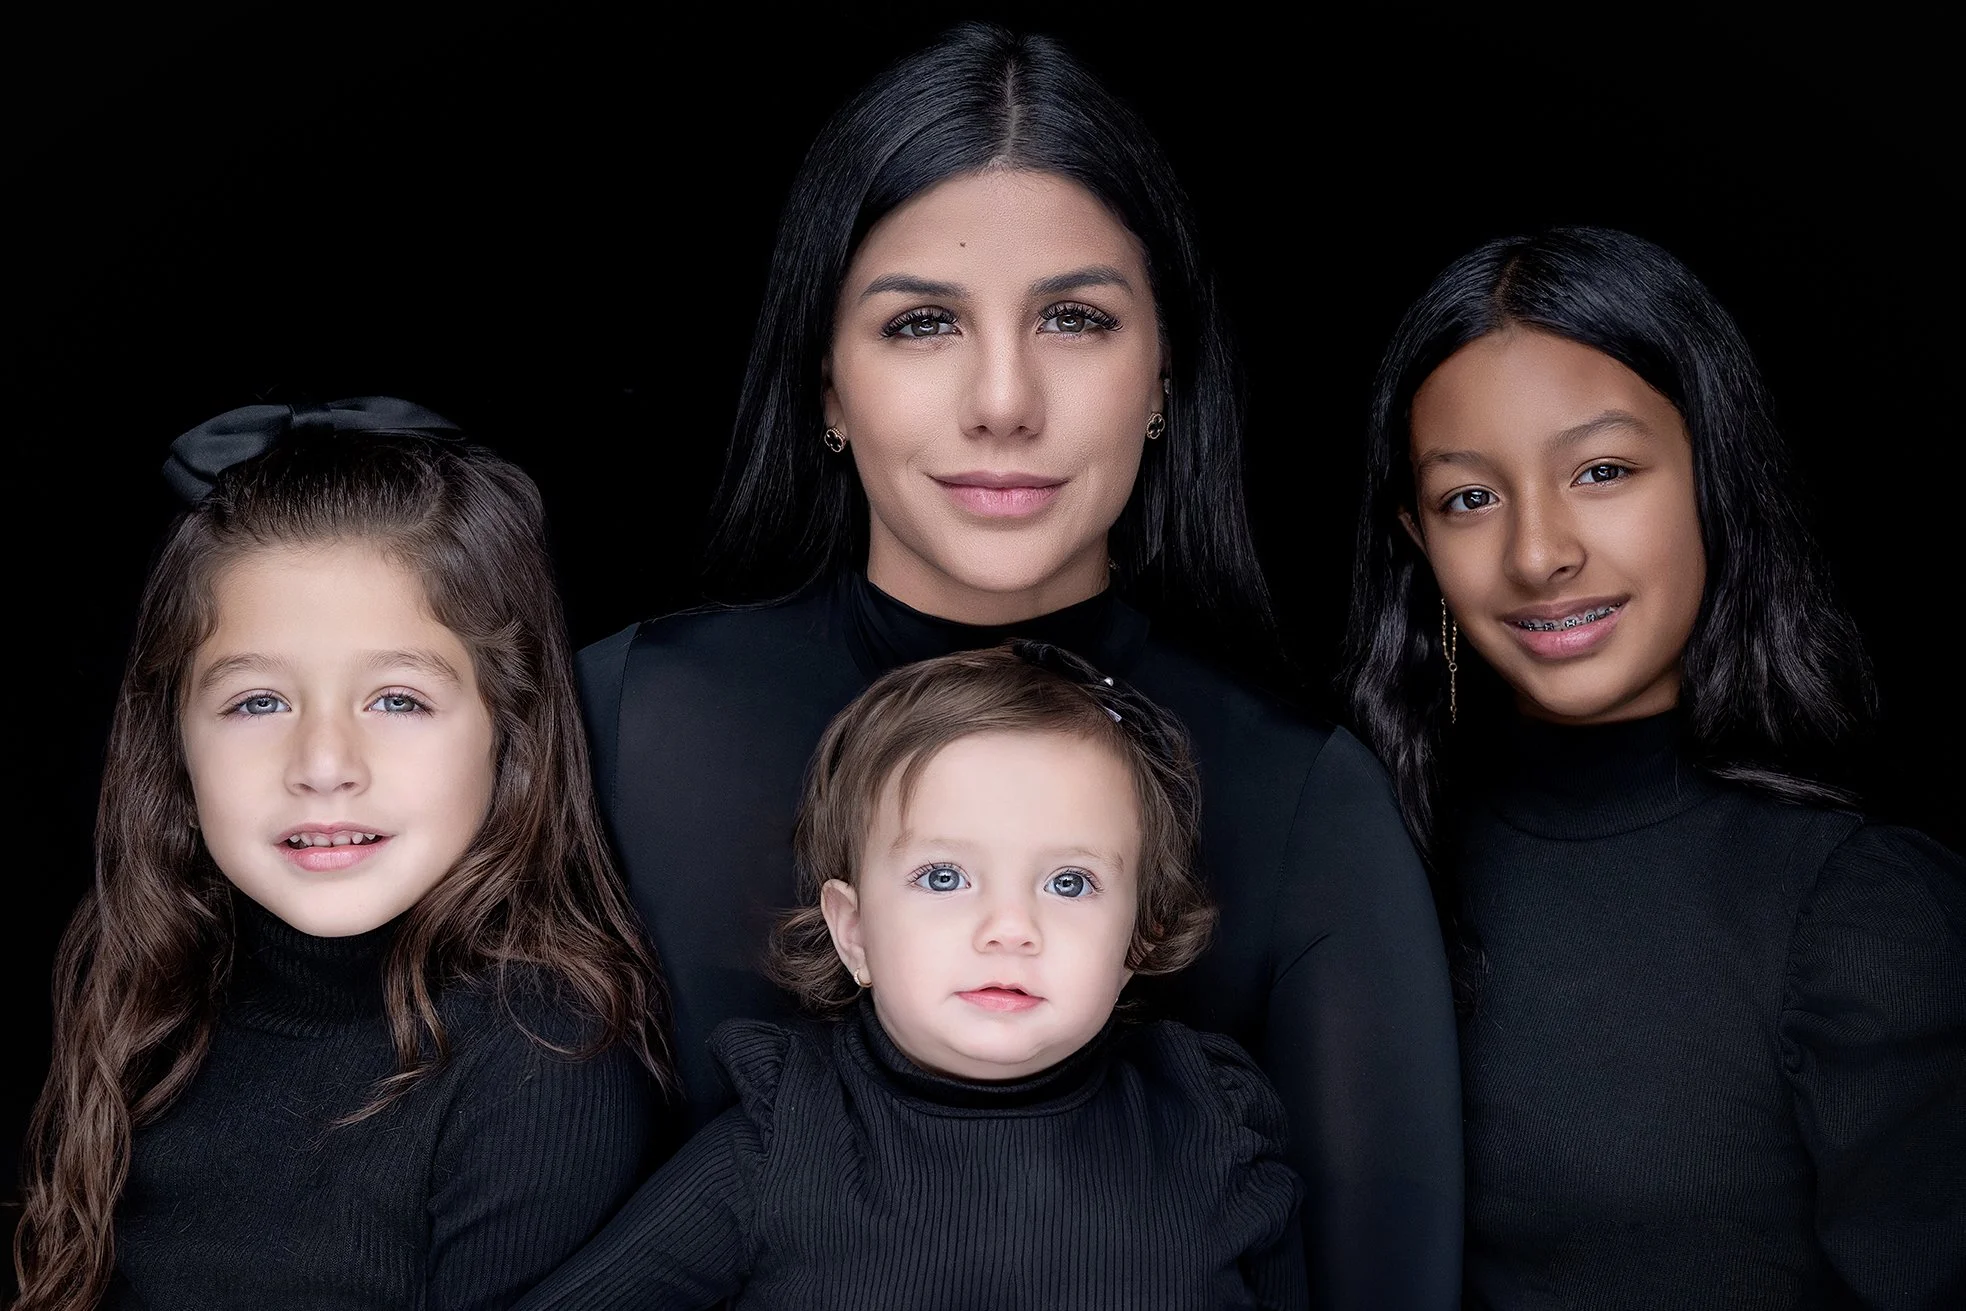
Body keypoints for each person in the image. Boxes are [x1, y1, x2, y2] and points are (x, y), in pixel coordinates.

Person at [577, 23, 1459, 1305]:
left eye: (1075, 318)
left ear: (1163, 373)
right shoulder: (623, 725)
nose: (1003, 398)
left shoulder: (1305, 799)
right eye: (923, 321)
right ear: (826, 381)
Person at [1342, 226, 1966, 1308]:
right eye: (1469, 498)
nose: (1537, 553)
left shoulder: (1864, 910)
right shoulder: (1363, 867)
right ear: (1418, 541)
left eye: (1601, 471)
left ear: (1713, 477)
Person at [12, 400, 669, 1310]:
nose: (324, 766)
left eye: (398, 700)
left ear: (507, 730)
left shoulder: (542, 1063)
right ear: (174, 740)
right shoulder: (140, 1000)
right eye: (256, 702)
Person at [519, 643, 1307, 1309]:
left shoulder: (1211, 1123)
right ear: (854, 932)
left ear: (1140, 934)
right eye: (943, 877)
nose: (1009, 928)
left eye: (1069, 882)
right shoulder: (784, 1138)